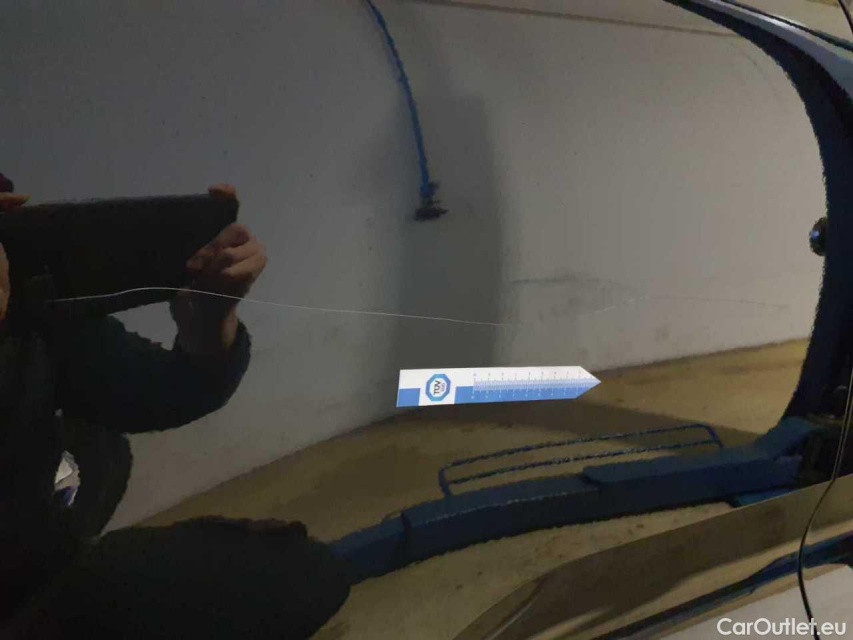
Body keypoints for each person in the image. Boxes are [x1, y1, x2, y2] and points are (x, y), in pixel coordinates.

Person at [0, 177, 351, 639]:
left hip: (28, 542)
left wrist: (208, 325)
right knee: (301, 576)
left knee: (101, 450)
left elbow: (161, 392)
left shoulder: (29, 306)